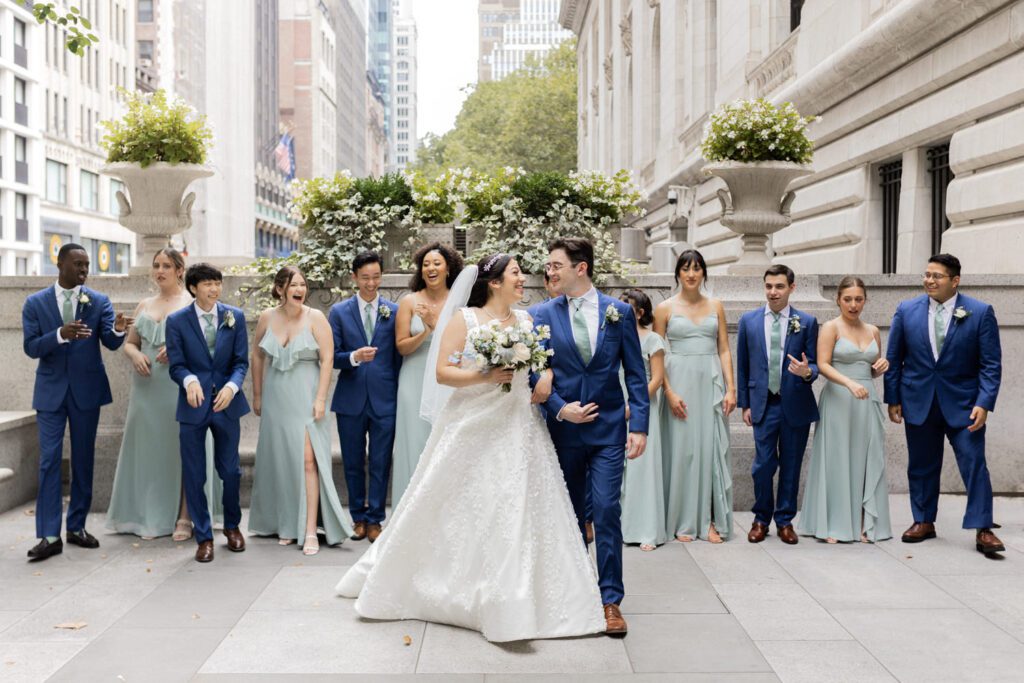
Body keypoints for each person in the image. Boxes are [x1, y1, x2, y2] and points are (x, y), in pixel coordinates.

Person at [337, 254, 606, 643]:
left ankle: (516, 596)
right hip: (472, 421)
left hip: (518, 424)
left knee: (517, 504)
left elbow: (542, 363)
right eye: (515, 274)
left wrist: (544, 376)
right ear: (494, 282)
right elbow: (443, 371)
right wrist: (483, 374)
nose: (522, 280)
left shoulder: (528, 321)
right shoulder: (465, 319)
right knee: (463, 503)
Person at [531, 237, 649, 637]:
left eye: (556, 265)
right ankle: (575, 590)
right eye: (549, 265)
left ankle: (610, 599)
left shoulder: (618, 313)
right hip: (563, 430)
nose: (550, 272)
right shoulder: (541, 314)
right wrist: (561, 408)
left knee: (605, 509)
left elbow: (635, 373)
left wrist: (640, 426)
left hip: (608, 430)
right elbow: (534, 371)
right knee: (568, 515)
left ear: (580, 268)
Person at [884, 254, 1003, 555]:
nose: (929, 281)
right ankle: (923, 521)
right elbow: (894, 357)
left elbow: (990, 364)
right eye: (926, 275)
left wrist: (984, 403)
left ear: (955, 281)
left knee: (974, 463)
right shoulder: (906, 310)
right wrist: (893, 398)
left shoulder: (979, 312)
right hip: (918, 401)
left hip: (964, 404)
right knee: (921, 465)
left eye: (936, 276)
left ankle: (983, 528)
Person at [22, 243, 132, 561]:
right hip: (50, 393)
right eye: (78, 264)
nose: (84, 270)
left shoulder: (98, 301)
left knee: (84, 459)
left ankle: (77, 527)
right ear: (60, 265)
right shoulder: (35, 303)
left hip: (87, 391)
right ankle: (48, 535)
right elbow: (31, 347)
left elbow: (110, 342)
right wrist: (60, 334)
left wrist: (119, 330)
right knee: (49, 460)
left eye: (86, 265)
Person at [106, 248, 221, 541]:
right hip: (146, 388)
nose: (160, 270)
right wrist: (134, 356)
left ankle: (185, 515)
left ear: (180, 270)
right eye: (156, 265)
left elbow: (210, 345)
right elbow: (130, 343)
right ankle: (146, 514)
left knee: (185, 449)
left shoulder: (192, 303)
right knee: (149, 450)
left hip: (178, 386)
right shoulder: (145, 304)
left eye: (166, 265)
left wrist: (179, 349)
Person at [248, 266, 352, 555]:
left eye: (303, 285)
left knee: (309, 461)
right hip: (276, 397)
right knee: (281, 460)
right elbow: (256, 354)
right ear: (280, 287)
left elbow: (328, 358)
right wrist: (257, 393)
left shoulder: (316, 317)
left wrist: (321, 398)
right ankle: (286, 524)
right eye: (293, 284)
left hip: (306, 396)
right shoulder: (268, 317)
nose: (300, 289)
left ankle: (309, 531)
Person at [165, 263, 250, 563]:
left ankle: (232, 526)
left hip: (227, 404)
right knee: (194, 473)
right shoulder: (176, 321)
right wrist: (188, 381)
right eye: (208, 284)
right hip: (192, 406)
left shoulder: (234, 317)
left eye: (218, 283)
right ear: (193, 288)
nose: (214, 289)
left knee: (230, 471)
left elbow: (241, 362)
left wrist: (232, 387)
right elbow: (176, 365)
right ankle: (204, 537)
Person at [797, 277, 892, 543]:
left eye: (858, 299)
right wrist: (849, 382)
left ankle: (864, 521)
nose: (853, 305)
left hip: (865, 400)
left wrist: (878, 368)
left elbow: (870, 370)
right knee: (837, 459)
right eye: (848, 299)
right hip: (839, 398)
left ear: (865, 300)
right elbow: (824, 365)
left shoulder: (873, 330)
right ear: (838, 299)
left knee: (865, 458)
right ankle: (833, 524)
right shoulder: (830, 327)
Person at [653, 250, 735, 543]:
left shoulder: (716, 305)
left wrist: (731, 388)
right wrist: (669, 392)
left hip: (708, 382)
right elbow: (656, 354)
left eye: (697, 268)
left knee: (710, 450)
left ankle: (710, 521)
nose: (691, 274)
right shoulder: (663, 308)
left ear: (703, 273)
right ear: (677, 273)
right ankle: (680, 520)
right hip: (678, 382)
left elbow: (724, 348)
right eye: (686, 268)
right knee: (683, 451)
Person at [737, 264, 820, 545]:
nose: (773, 292)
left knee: (792, 464)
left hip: (795, 403)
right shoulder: (748, 321)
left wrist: (807, 373)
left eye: (779, 286)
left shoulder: (806, 321)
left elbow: (816, 365)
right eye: (769, 286)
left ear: (791, 288)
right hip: (763, 403)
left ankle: (784, 520)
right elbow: (743, 365)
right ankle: (761, 518)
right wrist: (745, 404)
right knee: (762, 465)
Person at [328, 251, 401, 543]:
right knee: (353, 461)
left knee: (382, 461)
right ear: (354, 278)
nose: (371, 283)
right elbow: (332, 356)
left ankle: (375, 520)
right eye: (365, 278)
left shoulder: (395, 311)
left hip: (385, 398)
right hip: (350, 398)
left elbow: (400, 356)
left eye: (376, 277)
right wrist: (354, 357)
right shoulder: (339, 312)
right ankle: (357, 516)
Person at [391, 242, 463, 507]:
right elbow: (401, 347)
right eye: (426, 264)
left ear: (448, 268)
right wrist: (427, 331)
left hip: (447, 376)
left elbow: (464, 343)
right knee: (414, 442)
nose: (431, 268)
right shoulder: (409, 301)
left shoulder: (460, 300)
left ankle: (443, 508)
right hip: (414, 377)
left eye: (436, 263)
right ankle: (408, 510)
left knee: (444, 440)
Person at [618, 288, 668, 551]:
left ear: (639, 312)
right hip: (615, 405)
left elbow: (657, 379)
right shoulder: (612, 336)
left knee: (642, 468)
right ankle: (622, 527)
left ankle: (647, 531)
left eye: (628, 307)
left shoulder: (652, 340)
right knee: (620, 469)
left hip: (642, 405)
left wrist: (633, 404)